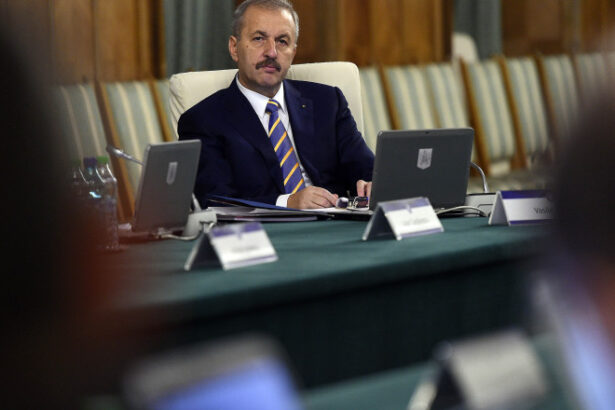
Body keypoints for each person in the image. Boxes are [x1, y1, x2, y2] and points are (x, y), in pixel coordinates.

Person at [178, 0, 374, 209]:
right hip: (264, 227)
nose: (271, 52)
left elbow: (368, 170)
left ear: (293, 52)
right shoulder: (203, 120)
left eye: (282, 41)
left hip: (339, 220)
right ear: (234, 48)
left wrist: (373, 184)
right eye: (259, 38)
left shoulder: (327, 102)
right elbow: (215, 200)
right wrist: (288, 202)